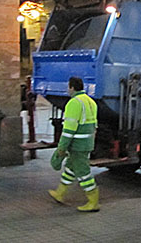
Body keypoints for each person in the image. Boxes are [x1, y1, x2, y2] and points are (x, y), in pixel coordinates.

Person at [48, 76, 100, 212]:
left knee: (83, 173)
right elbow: (95, 126)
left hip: (77, 145)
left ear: (71, 87)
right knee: (70, 168)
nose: (67, 89)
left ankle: (93, 200)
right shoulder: (90, 101)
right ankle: (60, 193)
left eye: (68, 87)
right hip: (87, 143)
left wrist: (62, 147)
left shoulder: (74, 103)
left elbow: (68, 130)